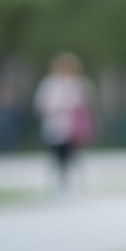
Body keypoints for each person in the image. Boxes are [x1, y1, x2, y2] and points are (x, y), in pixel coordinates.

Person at [33, 52, 95, 193]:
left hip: (73, 127)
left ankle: (71, 182)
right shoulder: (49, 84)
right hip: (54, 126)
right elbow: (41, 106)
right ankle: (57, 182)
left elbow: (86, 106)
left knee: (72, 154)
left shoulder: (80, 84)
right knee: (56, 154)